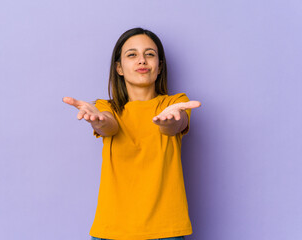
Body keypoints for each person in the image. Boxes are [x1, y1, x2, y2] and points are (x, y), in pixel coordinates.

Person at [63, 27, 201, 240]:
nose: (142, 60)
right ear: (119, 67)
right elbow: (109, 126)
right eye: (132, 54)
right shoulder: (105, 107)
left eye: (150, 54)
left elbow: (175, 125)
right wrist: (98, 121)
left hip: (166, 231)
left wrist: (169, 121)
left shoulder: (175, 103)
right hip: (111, 230)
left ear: (160, 66)